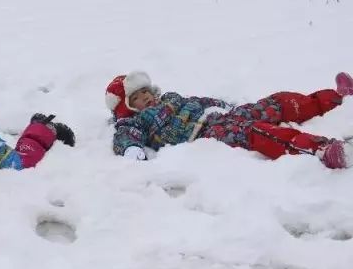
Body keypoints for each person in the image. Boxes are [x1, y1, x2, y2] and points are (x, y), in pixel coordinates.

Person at [105, 71, 353, 169]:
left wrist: (223, 104)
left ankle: (336, 97)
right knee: (259, 132)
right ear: (127, 107)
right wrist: (131, 149)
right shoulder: (135, 122)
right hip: (207, 134)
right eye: (137, 97)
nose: (146, 98)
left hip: (221, 116)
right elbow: (124, 136)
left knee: (274, 103)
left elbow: (198, 101)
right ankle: (323, 150)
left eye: (146, 91)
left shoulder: (170, 97)